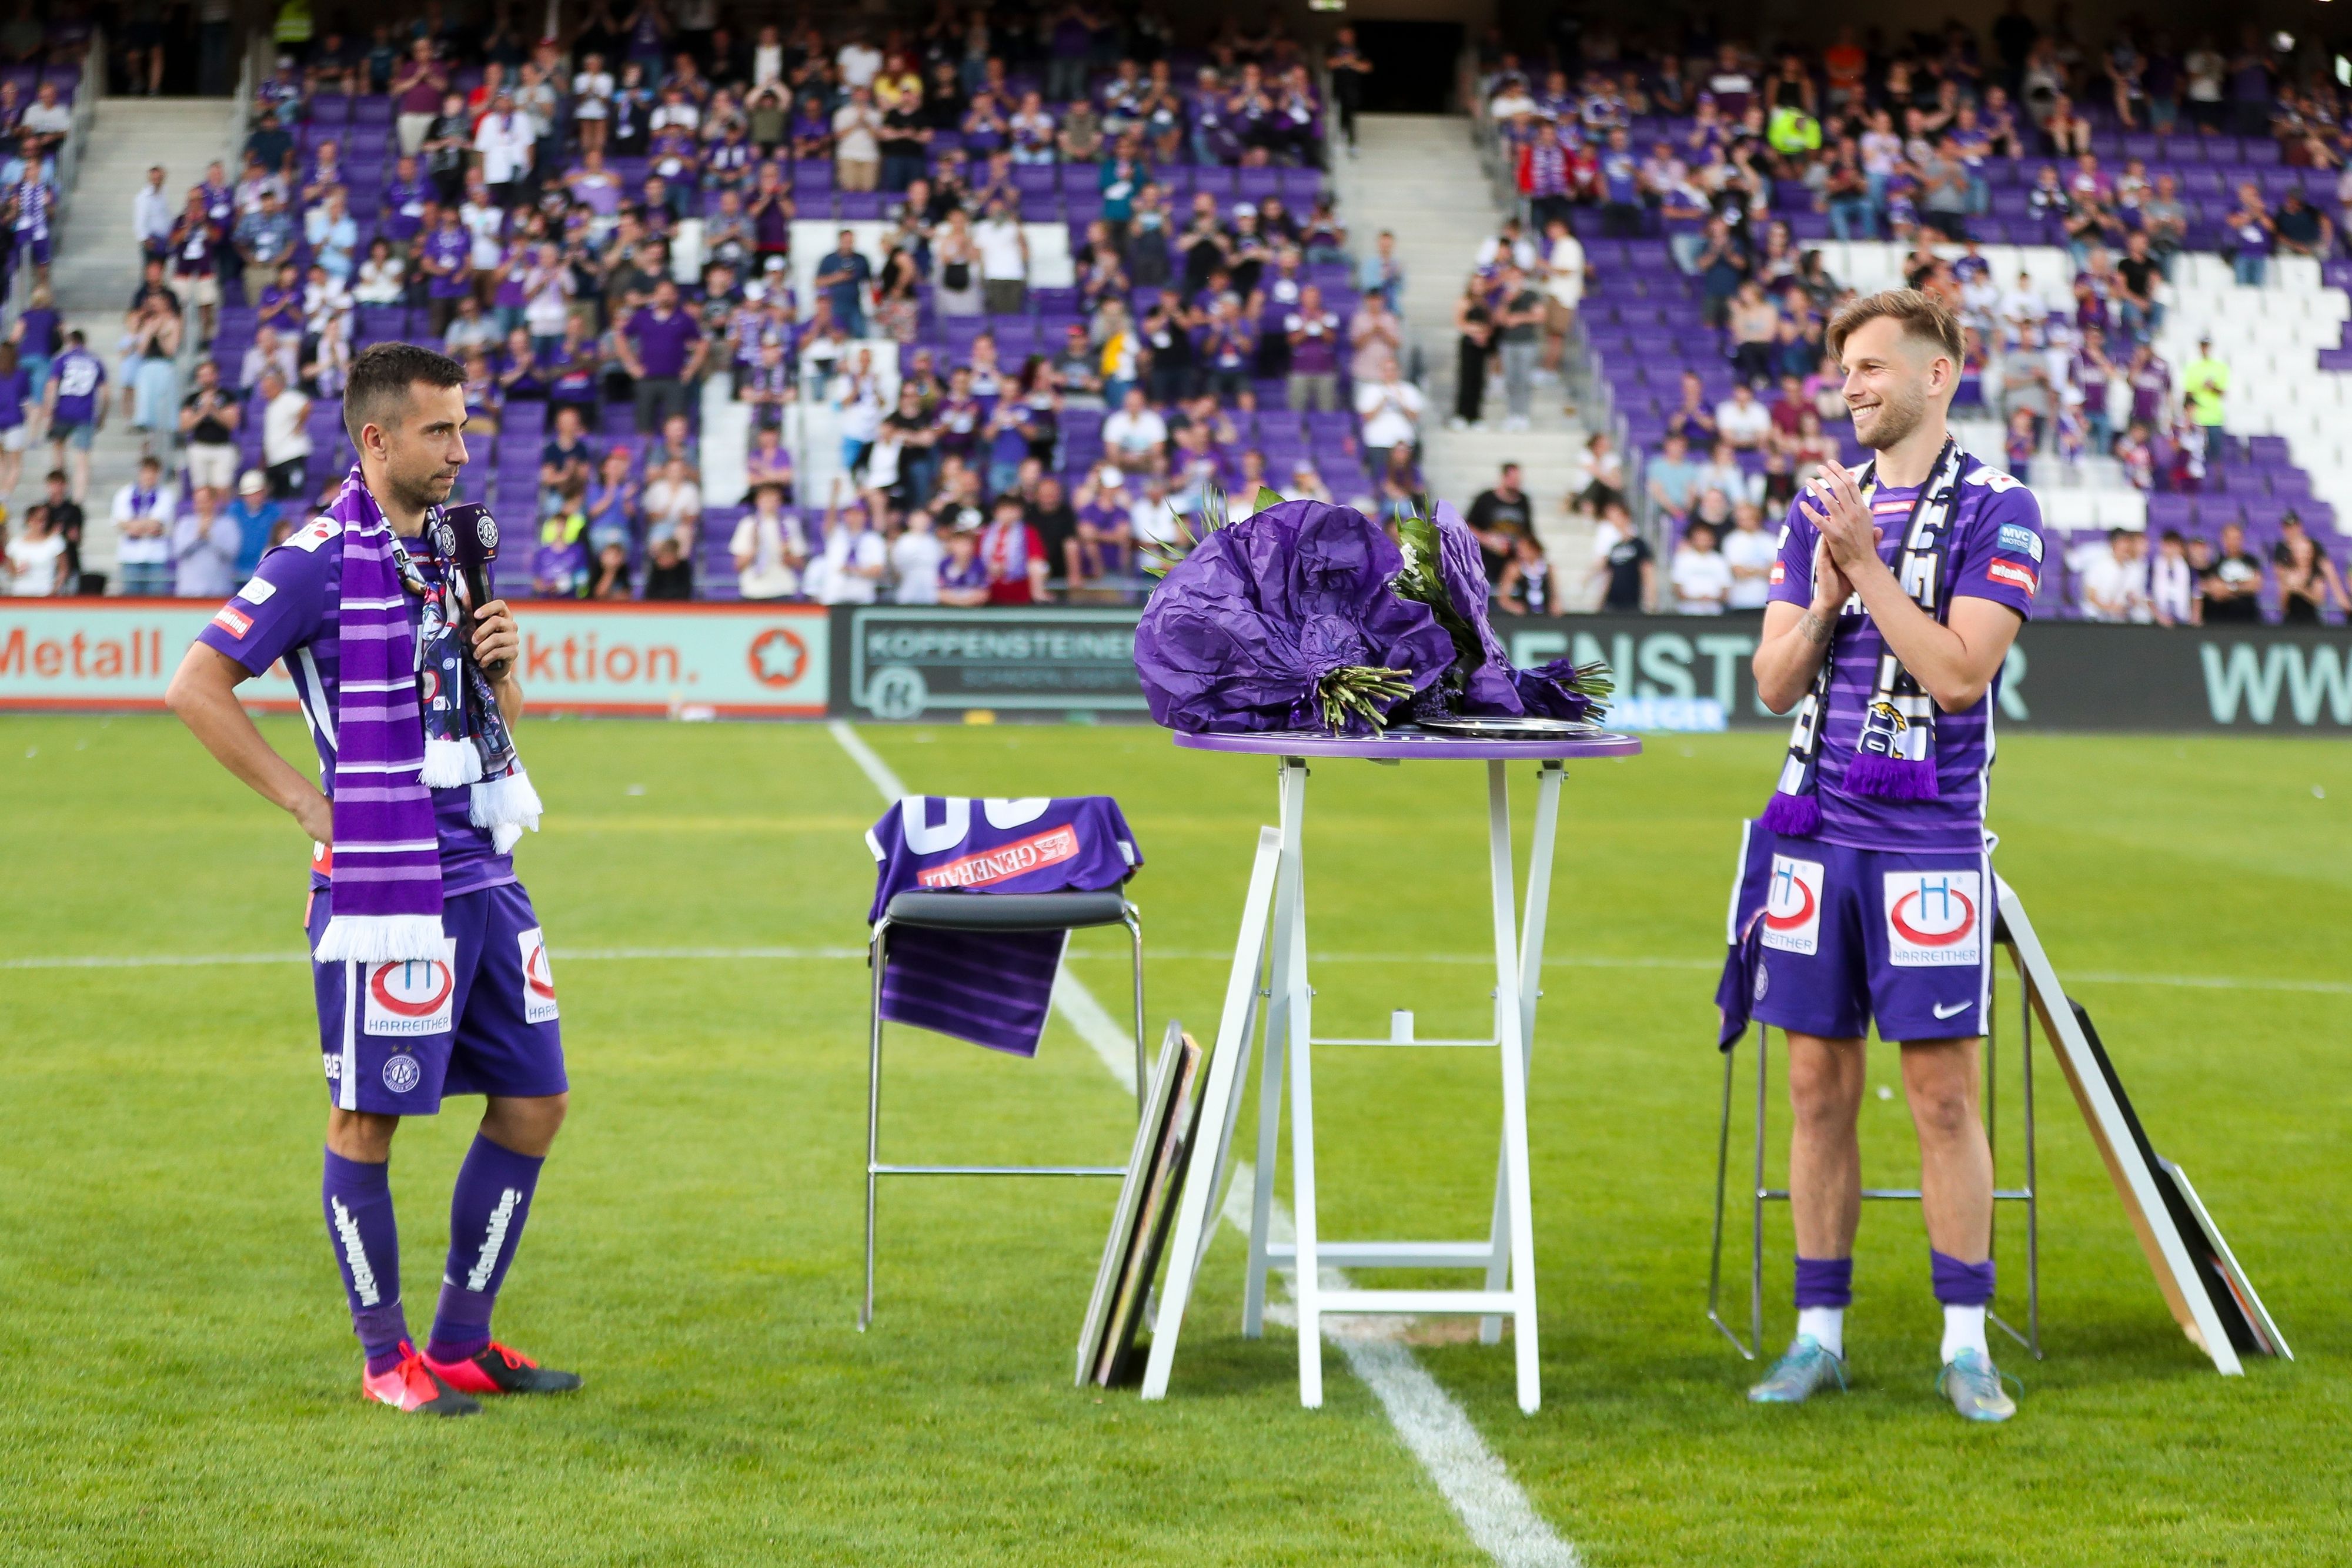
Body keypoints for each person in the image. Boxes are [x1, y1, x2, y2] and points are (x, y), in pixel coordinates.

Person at [165, 342, 577, 1417]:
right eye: (440, 430)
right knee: (369, 1122)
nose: (462, 449)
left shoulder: (450, 552)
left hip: (485, 864)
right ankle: (385, 1354)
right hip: (389, 887)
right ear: (376, 438)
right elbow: (196, 684)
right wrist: (312, 805)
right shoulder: (312, 559)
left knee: (536, 1103)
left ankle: (461, 1341)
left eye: (466, 426)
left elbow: (499, 731)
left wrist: (505, 667)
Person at [1745, 289, 2044, 1423]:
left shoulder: (2000, 508)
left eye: (1874, 366)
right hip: (1815, 836)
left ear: (1939, 375)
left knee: (1943, 1098)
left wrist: (1868, 571)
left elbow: (1962, 671)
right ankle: (1819, 1333)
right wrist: (1824, 601)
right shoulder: (1818, 507)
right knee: (1816, 1088)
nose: (1854, 386)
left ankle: (1964, 1342)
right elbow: (1771, 683)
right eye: (1846, 371)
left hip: (1928, 842)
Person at [44, 330, 106, 502]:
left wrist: (49, 412)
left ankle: (59, 492)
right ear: (84, 343)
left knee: (58, 452)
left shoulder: (62, 360)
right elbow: (105, 393)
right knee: (82, 459)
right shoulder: (95, 361)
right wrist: (102, 415)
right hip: (85, 413)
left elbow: (52, 386)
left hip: (63, 411)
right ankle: (79, 498)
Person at [112, 456, 179, 596]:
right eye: (146, 472)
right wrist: (142, 526)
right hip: (130, 556)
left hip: (156, 556)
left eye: (153, 472)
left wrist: (135, 525)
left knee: (156, 600)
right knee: (130, 601)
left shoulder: (165, 495)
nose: (149, 476)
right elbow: (121, 521)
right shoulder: (125, 494)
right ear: (140, 472)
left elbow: (157, 522)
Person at [2272, 513, 2346, 624]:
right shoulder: (2280, 548)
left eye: (2306, 552)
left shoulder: (2315, 552)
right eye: (2288, 527)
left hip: (2311, 616)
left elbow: (2328, 572)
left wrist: (2341, 598)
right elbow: (2281, 578)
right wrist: (2289, 585)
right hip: (2292, 616)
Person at [171, 485, 241, 600]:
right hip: (189, 591)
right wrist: (197, 536)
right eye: (198, 501)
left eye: (205, 501)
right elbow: (178, 552)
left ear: (214, 502)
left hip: (219, 591)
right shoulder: (185, 524)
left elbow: (231, 553)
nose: (201, 505)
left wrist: (211, 537)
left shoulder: (228, 524)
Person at [2198, 520, 2266, 623]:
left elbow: (2255, 585)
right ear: (2223, 540)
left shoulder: (2251, 561)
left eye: (2236, 539)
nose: (2233, 542)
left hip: (2248, 619)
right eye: (2230, 538)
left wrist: (2229, 588)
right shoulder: (2215, 563)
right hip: (2222, 619)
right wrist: (2242, 587)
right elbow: (2216, 591)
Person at [1591, 502, 1653, 612]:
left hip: (1631, 603)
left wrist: (1651, 600)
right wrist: (1600, 603)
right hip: (1611, 603)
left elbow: (1647, 572)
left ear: (1626, 517)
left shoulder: (1639, 544)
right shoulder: (1614, 547)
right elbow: (1609, 575)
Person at [1721, 502, 1778, 613]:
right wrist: (1762, 570)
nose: (1746, 522)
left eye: (1750, 518)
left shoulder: (1770, 540)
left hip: (1766, 600)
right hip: (1740, 601)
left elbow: (1775, 572)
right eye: (1742, 519)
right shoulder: (1732, 541)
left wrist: (1750, 570)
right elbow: (1738, 572)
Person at [5, 500, 67, 595]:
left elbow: (64, 569)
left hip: (45, 593)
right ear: (29, 520)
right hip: (21, 594)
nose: (41, 523)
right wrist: (18, 571)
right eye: (37, 519)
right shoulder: (15, 543)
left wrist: (54, 590)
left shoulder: (55, 542)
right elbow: (10, 568)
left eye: (44, 520)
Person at [1671, 520, 1733, 614]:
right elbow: (1677, 588)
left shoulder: (1720, 560)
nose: (1703, 542)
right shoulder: (1682, 559)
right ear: (1692, 539)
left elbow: (1726, 589)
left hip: (1715, 613)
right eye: (1699, 538)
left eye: (1706, 538)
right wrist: (1697, 599)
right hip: (1687, 612)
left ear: (1713, 540)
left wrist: (1711, 599)